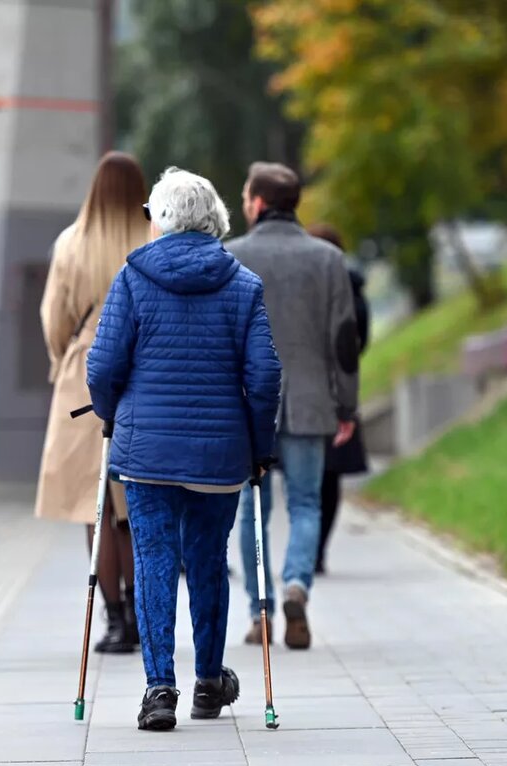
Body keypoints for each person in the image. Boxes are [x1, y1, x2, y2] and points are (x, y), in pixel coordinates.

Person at [87, 167, 282, 731]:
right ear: (214, 218)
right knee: (207, 560)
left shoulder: (132, 278)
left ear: (161, 218)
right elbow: (265, 376)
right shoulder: (243, 284)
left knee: (152, 559)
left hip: (147, 451)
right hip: (220, 453)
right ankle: (208, 681)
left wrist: (111, 413)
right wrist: (259, 446)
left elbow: (102, 366)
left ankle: (158, 691)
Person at [227, 162, 359, 651]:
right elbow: (343, 342)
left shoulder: (232, 255)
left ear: (259, 203)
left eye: (245, 196)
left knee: (251, 508)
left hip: (249, 406)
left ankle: (258, 611)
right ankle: (297, 586)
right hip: (309, 402)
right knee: (306, 502)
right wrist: (346, 405)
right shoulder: (328, 260)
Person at [35, 151, 151, 654]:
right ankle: (144, 610)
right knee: (136, 505)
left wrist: (65, 358)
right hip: (144, 376)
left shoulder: (72, 243)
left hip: (83, 377)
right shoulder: (154, 238)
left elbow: (53, 318)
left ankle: (115, 620)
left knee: (95, 506)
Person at [306, 223, 370, 576]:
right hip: (339, 388)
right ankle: (316, 552)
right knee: (329, 478)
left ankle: (306, 553)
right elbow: (360, 341)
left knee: (306, 481)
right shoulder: (353, 289)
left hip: (305, 390)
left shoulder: (305, 289)